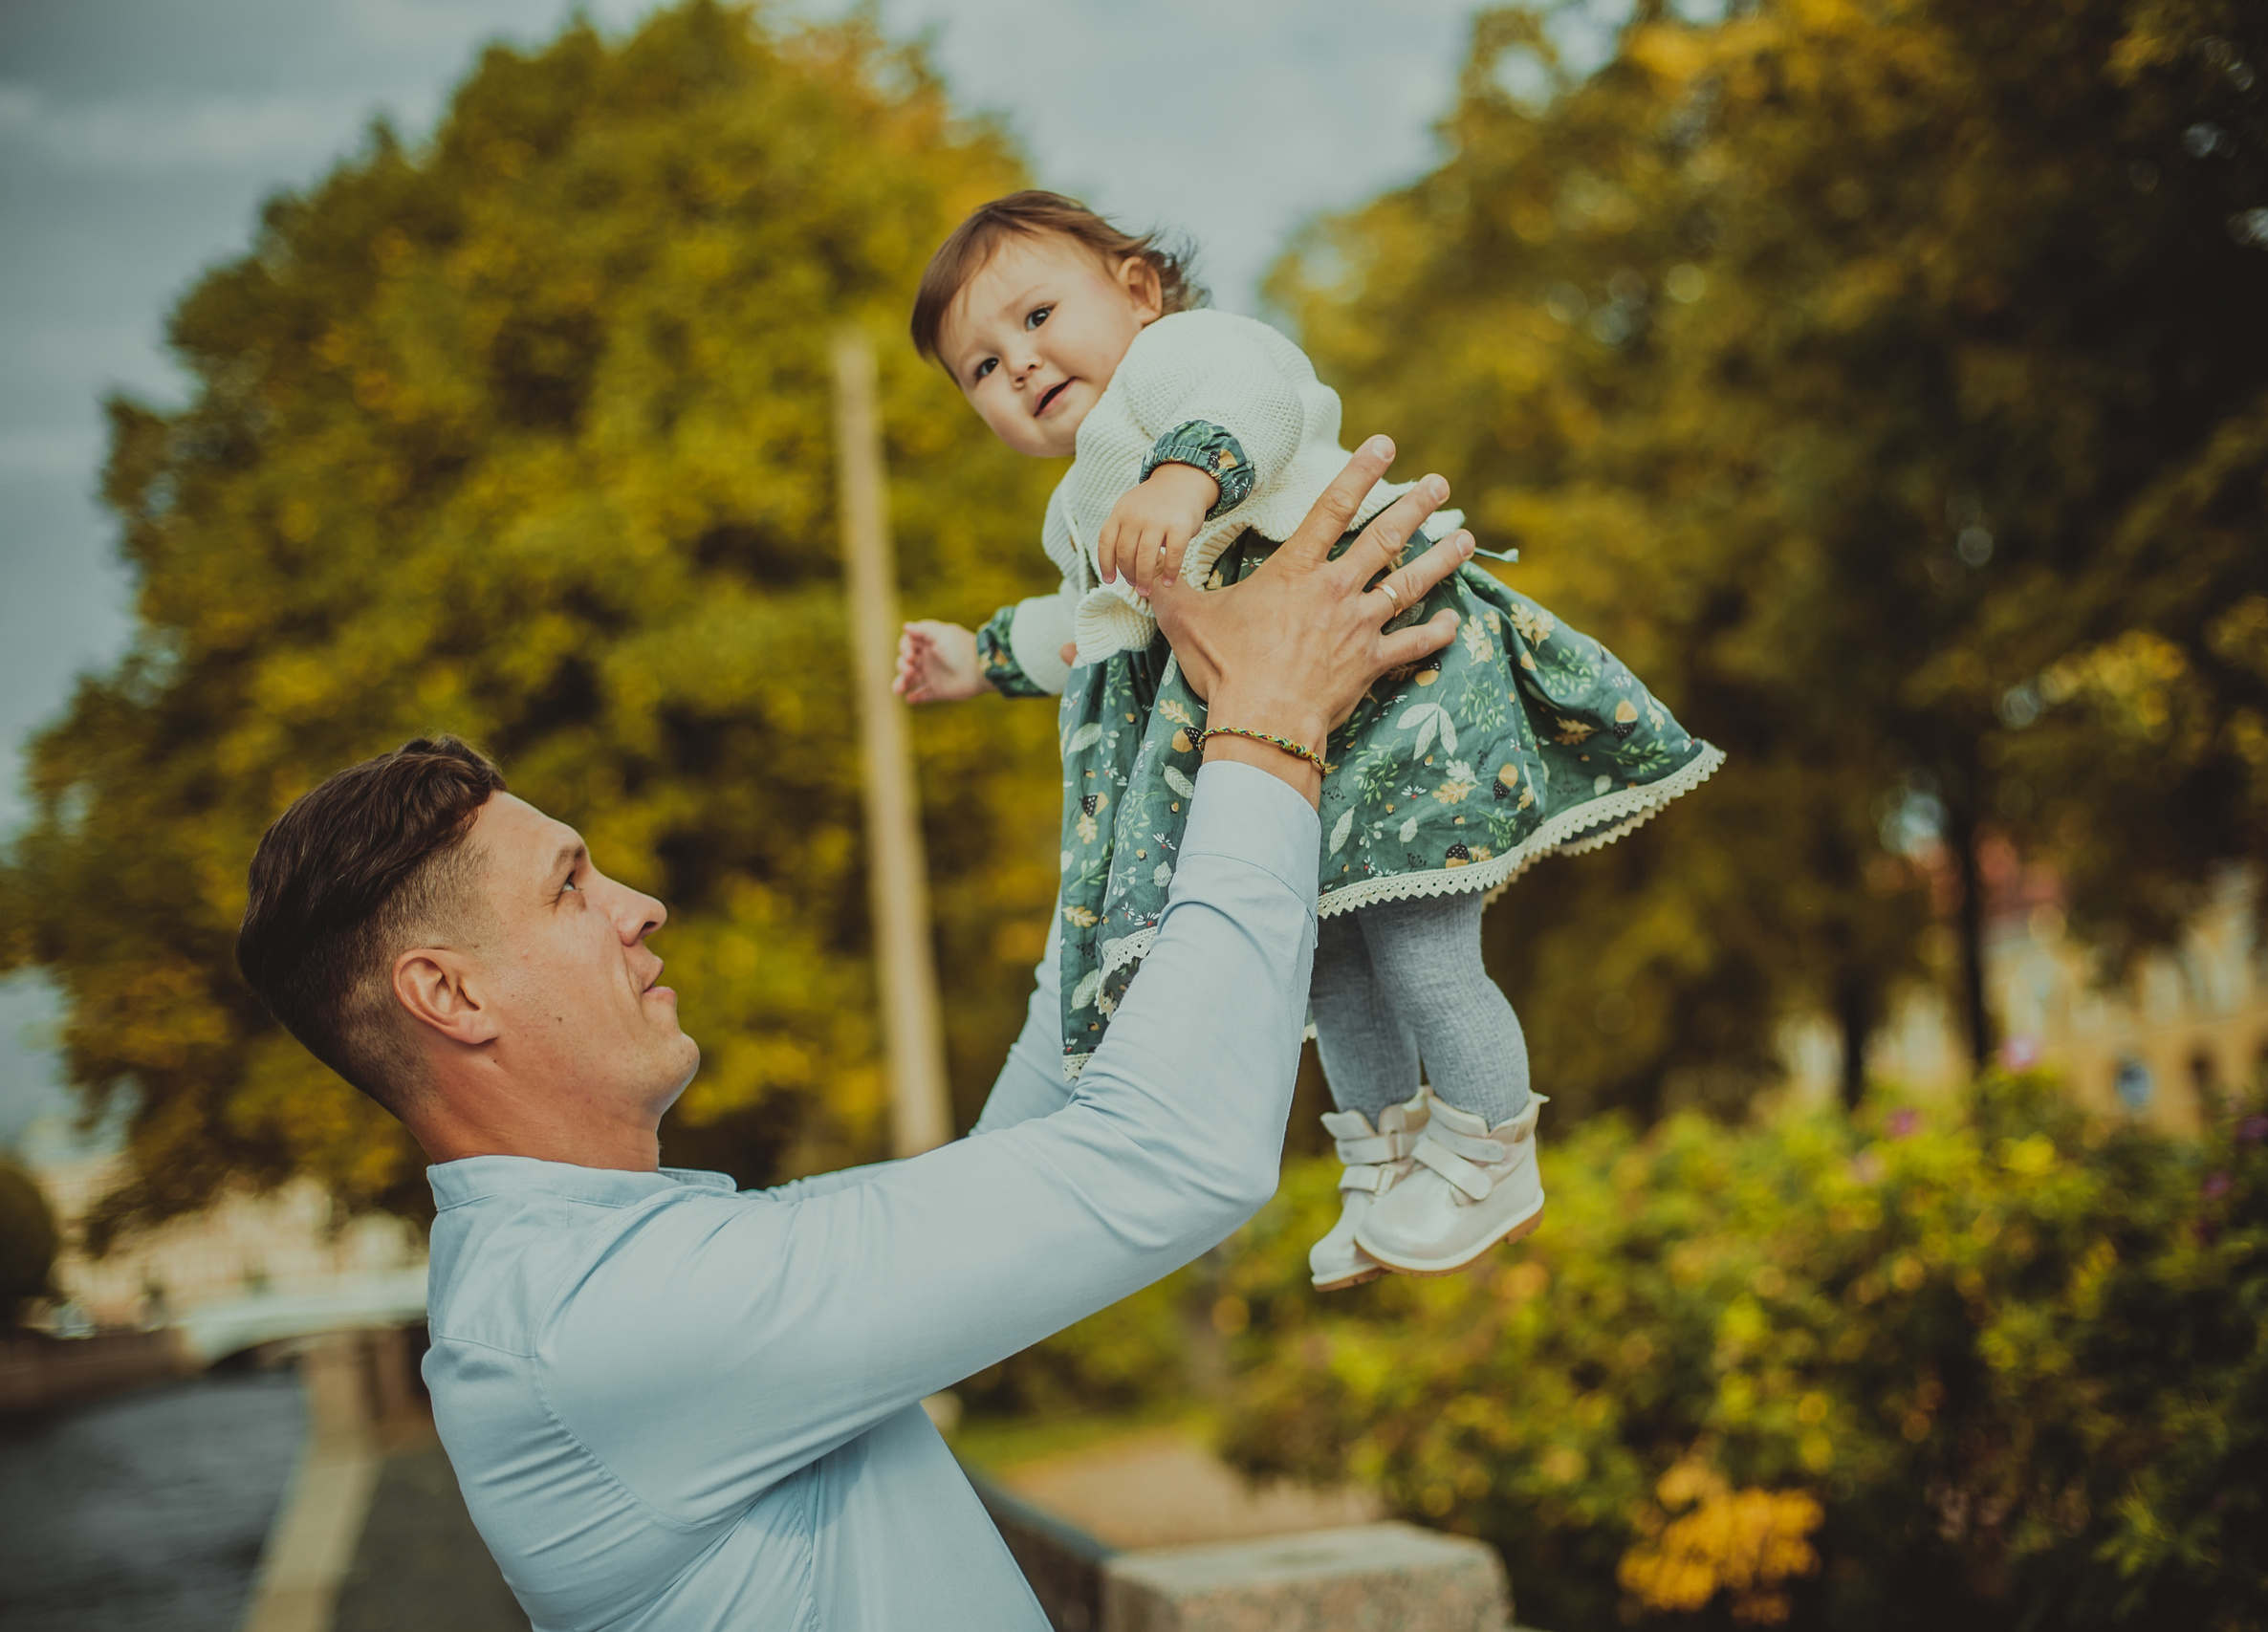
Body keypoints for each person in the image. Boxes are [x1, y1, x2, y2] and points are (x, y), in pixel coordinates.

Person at [229, 446, 1472, 1632]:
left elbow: (1033, 1150)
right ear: (449, 995)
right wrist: (1271, 719)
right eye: (568, 885)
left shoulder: (593, 1274)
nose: (638, 903)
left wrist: (1153, 737)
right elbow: (1168, 1152)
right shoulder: (596, 1321)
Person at [895, 192, 1720, 1290]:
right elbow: (1095, 634)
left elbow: (1260, 400)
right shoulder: (1081, 509)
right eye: (982, 369)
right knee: (1331, 976)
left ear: (1138, 290)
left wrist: (1185, 476)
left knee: (1425, 955)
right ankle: (1384, 1162)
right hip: (1291, 764)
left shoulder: (1183, 362)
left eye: (1038, 317)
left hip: (1389, 709)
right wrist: (978, 656)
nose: (1021, 364)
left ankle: (1490, 1151)